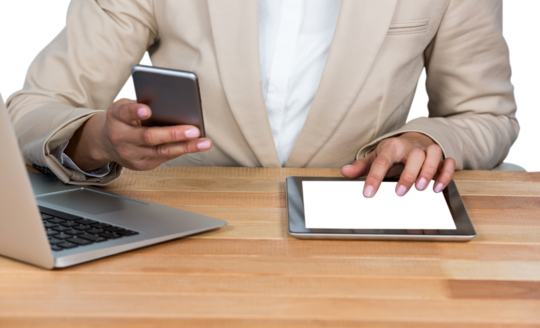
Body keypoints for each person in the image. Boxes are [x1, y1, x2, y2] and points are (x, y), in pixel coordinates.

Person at [7, 0, 518, 200]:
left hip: (363, 235)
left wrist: (427, 138)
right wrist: (96, 137)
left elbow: (485, 114)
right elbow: (35, 107)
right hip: (186, 227)